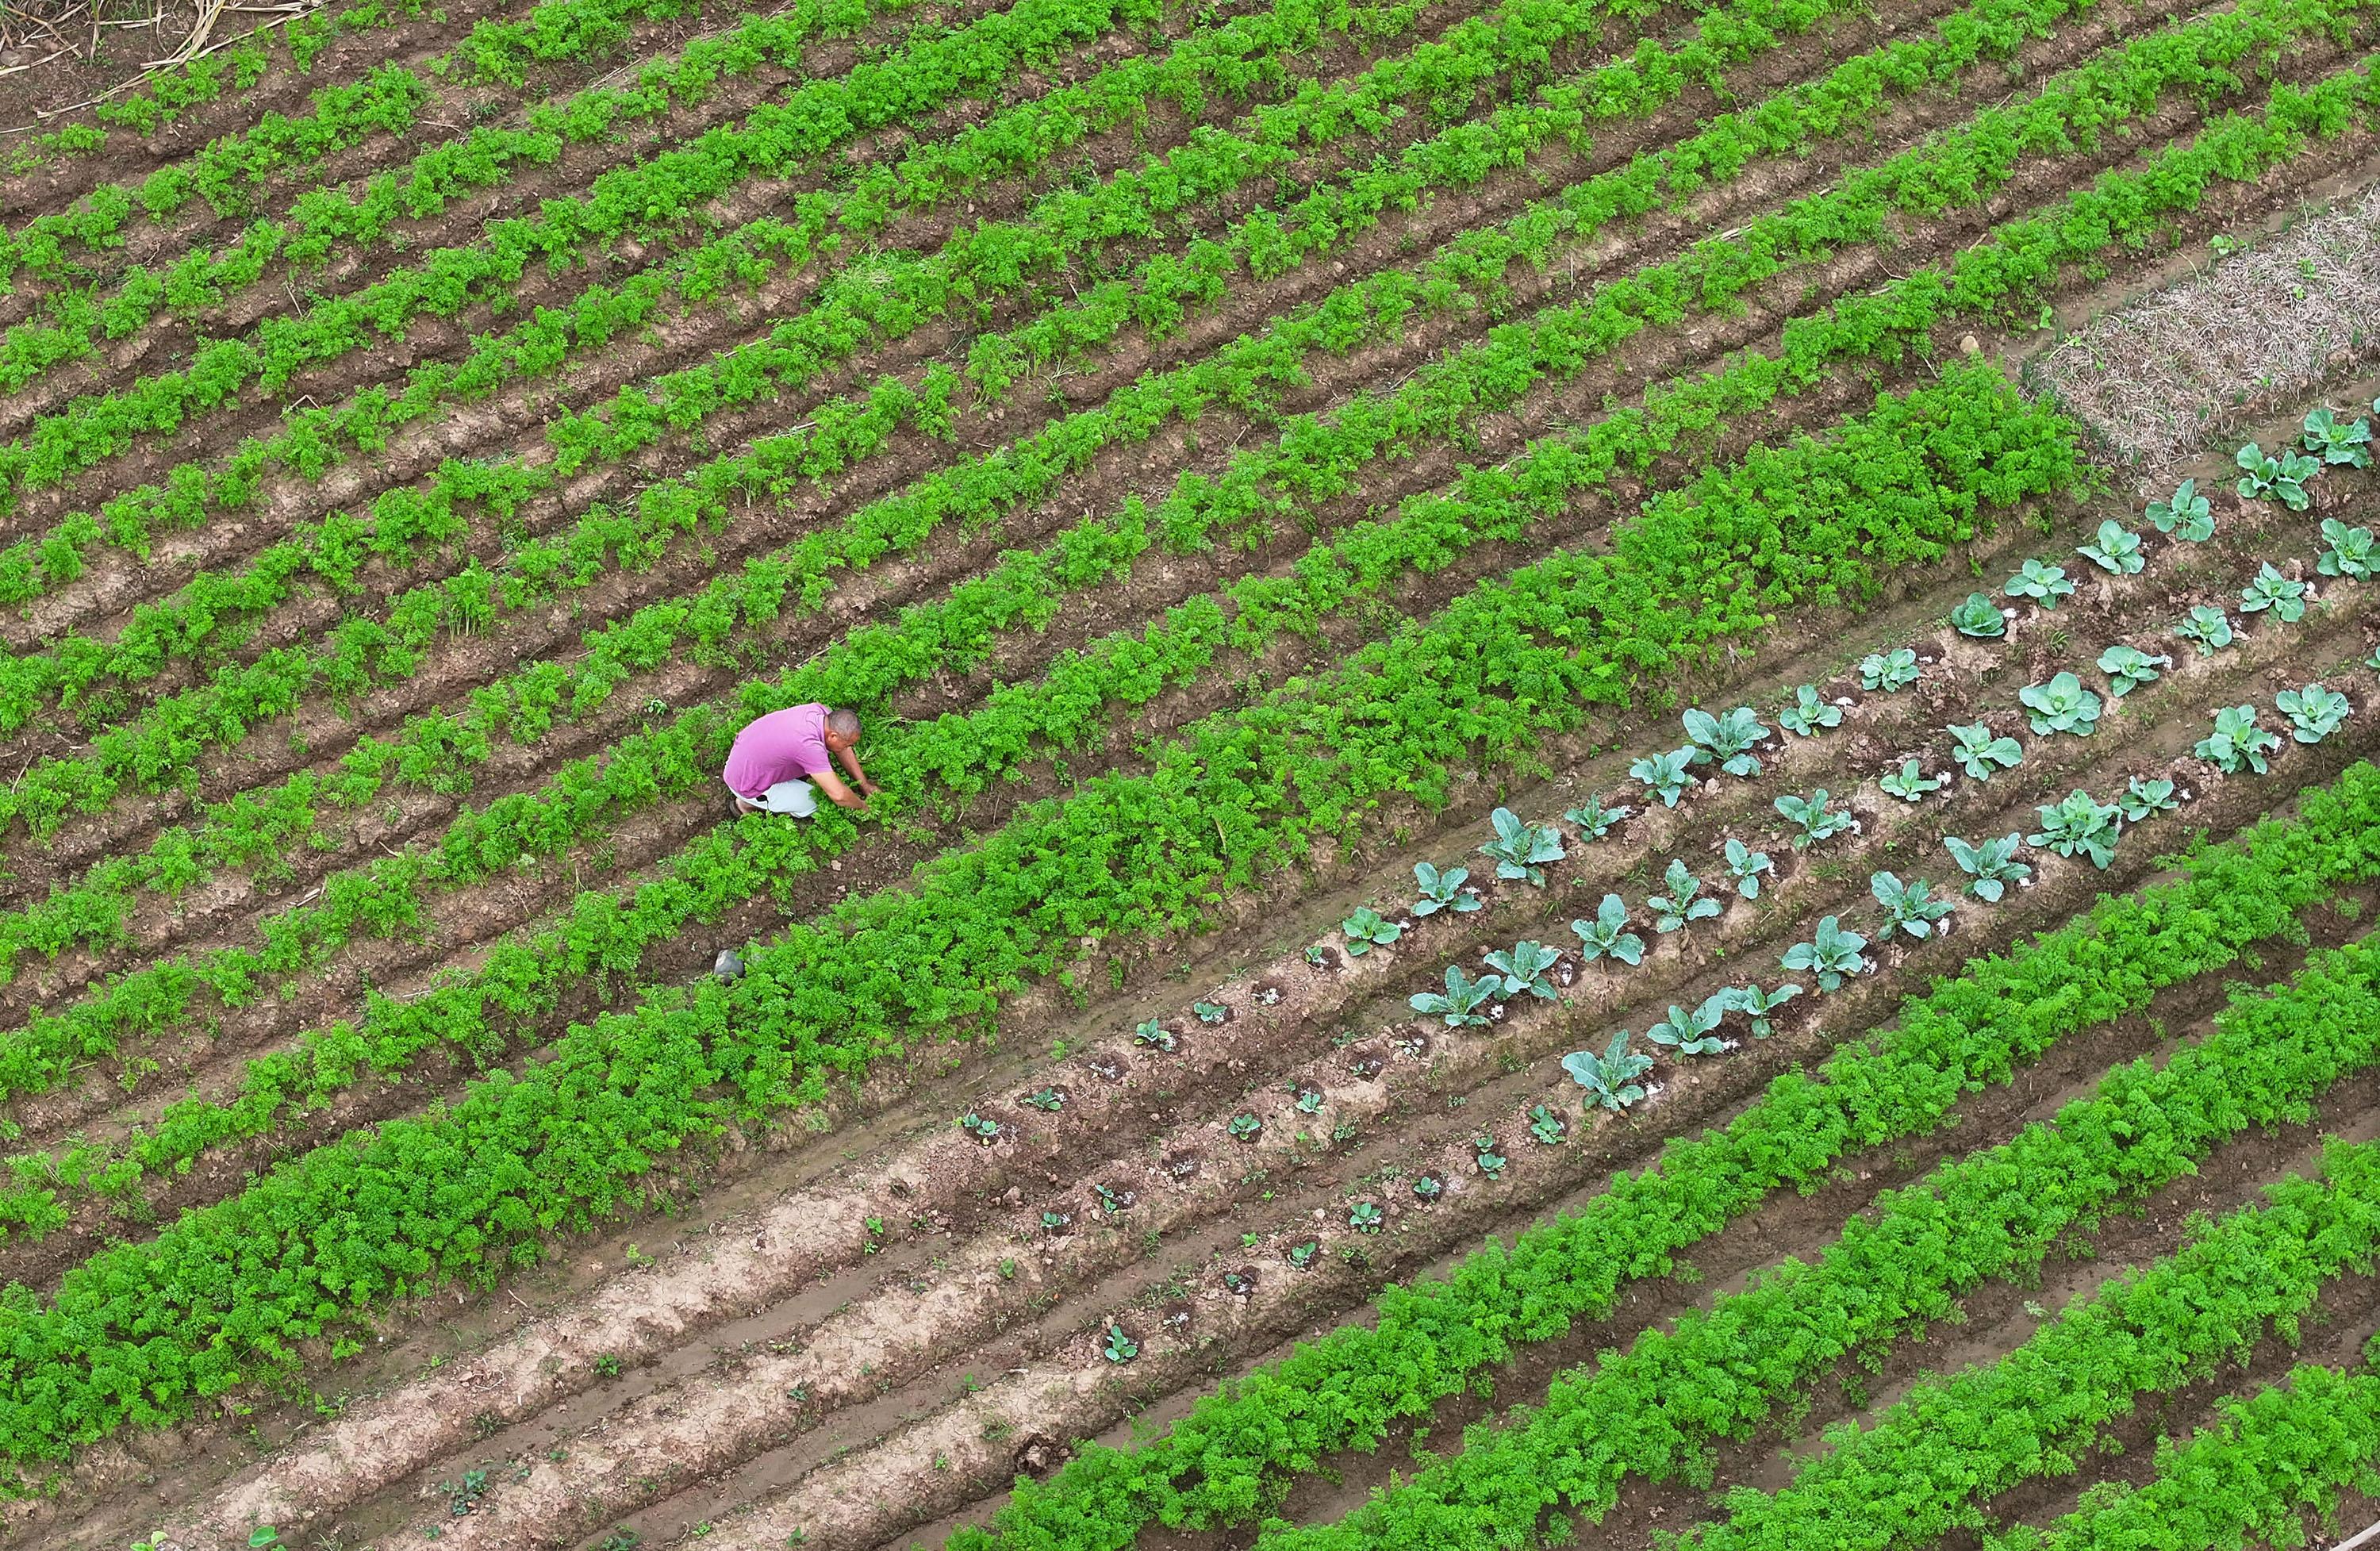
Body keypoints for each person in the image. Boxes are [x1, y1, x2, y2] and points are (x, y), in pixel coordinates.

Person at [722, 704, 879, 816]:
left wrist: (864, 785)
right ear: (833, 736)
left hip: (742, 758)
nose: (848, 748)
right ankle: (746, 805)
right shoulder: (808, 746)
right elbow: (839, 795)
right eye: (848, 744)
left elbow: (843, 750)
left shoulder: (820, 712)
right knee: (815, 800)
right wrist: (864, 807)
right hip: (745, 783)